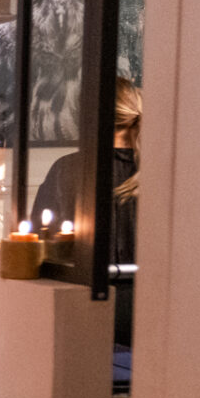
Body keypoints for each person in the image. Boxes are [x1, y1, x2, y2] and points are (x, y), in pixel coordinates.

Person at [30, 76, 140, 346]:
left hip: (86, 307)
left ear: (88, 115)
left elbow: (39, 247)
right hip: (153, 311)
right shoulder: (167, 170)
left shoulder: (67, 170)